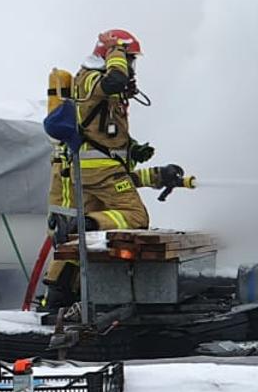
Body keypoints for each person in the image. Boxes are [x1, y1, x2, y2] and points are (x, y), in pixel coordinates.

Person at [40, 29, 189, 312]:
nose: (132, 66)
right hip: (99, 170)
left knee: (75, 242)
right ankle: (86, 224)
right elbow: (116, 78)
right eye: (130, 59)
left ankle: (56, 298)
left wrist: (157, 173)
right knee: (135, 216)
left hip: (95, 171)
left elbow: (119, 166)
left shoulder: (99, 86)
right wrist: (117, 51)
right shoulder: (93, 78)